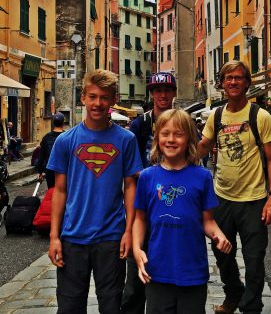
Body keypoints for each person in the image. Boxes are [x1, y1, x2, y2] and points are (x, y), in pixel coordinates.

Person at [47, 69, 143, 314]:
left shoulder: (126, 140)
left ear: (113, 100)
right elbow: (59, 191)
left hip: (111, 238)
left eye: (103, 97)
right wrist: (54, 236)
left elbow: (131, 186)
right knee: (69, 307)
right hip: (72, 238)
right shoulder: (65, 141)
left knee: (111, 305)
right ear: (83, 98)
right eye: (92, 96)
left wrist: (129, 231)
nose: (97, 103)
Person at [198, 60, 271, 314]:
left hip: (254, 199)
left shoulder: (260, 116)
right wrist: (176, 154)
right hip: (222, 197)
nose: (233, 82)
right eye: (228, 78)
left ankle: (251, 306)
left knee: (254, 260)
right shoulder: (217, 115)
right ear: (221, 83)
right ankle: (234, 293)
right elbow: (203, 145)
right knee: (222, 254)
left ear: (247, 82)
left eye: (238, 77)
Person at [133, 109, 232, 314]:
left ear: (189, 139)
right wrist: (136, 248)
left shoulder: (202, 177)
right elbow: (140, 219)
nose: (171, 139)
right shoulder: (147, 177)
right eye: (165, 133)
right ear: (157, 137)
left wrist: (218, 235)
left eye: (178, 134)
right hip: (157, 270)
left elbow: (208, 220)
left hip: (192, 272)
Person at [121, 71, 177, 314]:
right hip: (146, 205)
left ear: (173, 93)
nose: (162, 95)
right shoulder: (140, 124)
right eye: (157, 90)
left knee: (171, 264)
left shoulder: (182, 121)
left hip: (174, 204)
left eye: (166, 90)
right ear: (152, 94)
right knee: (135, 271)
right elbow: (130, 165)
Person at [37, 112, 65, 188]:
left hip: (50, 169)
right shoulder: (67, 136)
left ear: (53, 123)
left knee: (52, 191)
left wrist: (40, 172)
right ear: (63, 122)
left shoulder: (46, 137)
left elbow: (42, 156)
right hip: (64, 169)